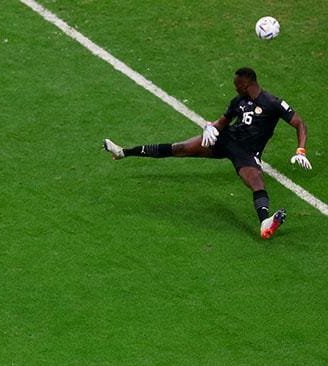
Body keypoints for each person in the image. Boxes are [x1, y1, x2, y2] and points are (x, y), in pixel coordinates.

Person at [103, 67, 312, 239]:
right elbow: (221, 123)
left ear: (246, 83)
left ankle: (265, 222)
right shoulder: (237, 102)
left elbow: (299, 123)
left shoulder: (273, 103)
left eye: (237, 84)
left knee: (256, 181)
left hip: (247, 152)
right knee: (180, 148)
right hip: (226, 139)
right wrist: (209, 127)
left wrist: (300, 150)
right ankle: (123, 152)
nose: (235, 87)